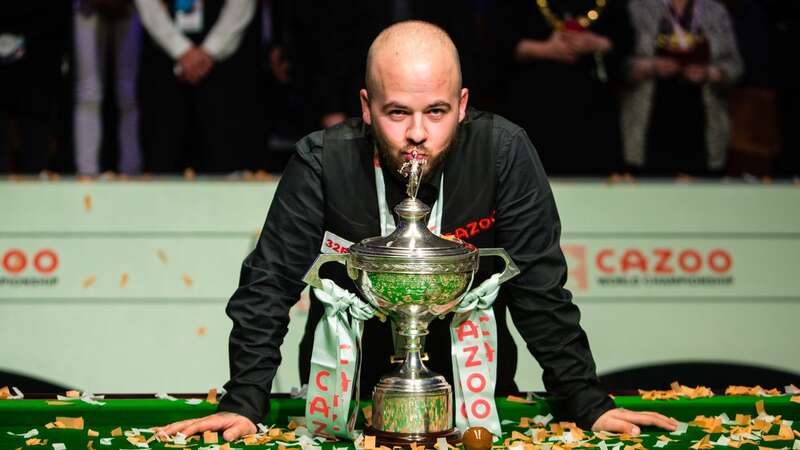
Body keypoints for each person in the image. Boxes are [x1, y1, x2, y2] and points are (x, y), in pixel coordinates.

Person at [157, 21, 678, 441]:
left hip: (475, 399)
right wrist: (246, 401)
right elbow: (268, 286)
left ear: (464, 104)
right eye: (397, 112)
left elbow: (538, 287)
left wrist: (586, 402)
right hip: (345, 402)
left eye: (437, 111)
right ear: (366, 108)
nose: (417, 135)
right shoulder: (322, 159)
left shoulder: (502, 152)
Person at [491, 0, 634, 176]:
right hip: (534, 105)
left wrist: (597, 43)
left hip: (593, 110)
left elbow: (626, 41)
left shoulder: (610, 6)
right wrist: (545, 49)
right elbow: (496, 43)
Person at [135, 0, 261, 173]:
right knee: (163, 154)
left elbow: (240, 6)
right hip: (163, 61)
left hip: (224, 64)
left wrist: (211, 50)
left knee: (224, 155)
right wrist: (180, 49)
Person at [621, 0, 742, 176]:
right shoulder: (637, 8)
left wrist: (709, 73)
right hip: (650, 122)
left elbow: (735, 66)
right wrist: (651, 66)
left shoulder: (715, 10)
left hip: (703, 125)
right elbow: (620, 64)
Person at [73, 0, 143, 176]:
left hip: (130, 9)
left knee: (129, 93)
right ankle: (87, 171)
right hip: (87, 9)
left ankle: (131, 171)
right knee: (89, 93)